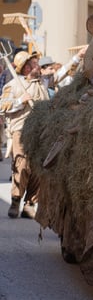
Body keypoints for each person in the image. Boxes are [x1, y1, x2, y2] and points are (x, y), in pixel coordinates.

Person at [1, 51, 50, 219]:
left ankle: (30, 203)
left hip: (40, 131)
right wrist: (20, 101)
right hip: (20, 131)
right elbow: (3, 106)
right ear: (27, 67)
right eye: (35, 64)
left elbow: (62, 73)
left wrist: (77, 57)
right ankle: (16, 199)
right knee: (22, 164)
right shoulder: (13, 85)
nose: (39, 66)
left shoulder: (43, 83)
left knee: (38, 167)